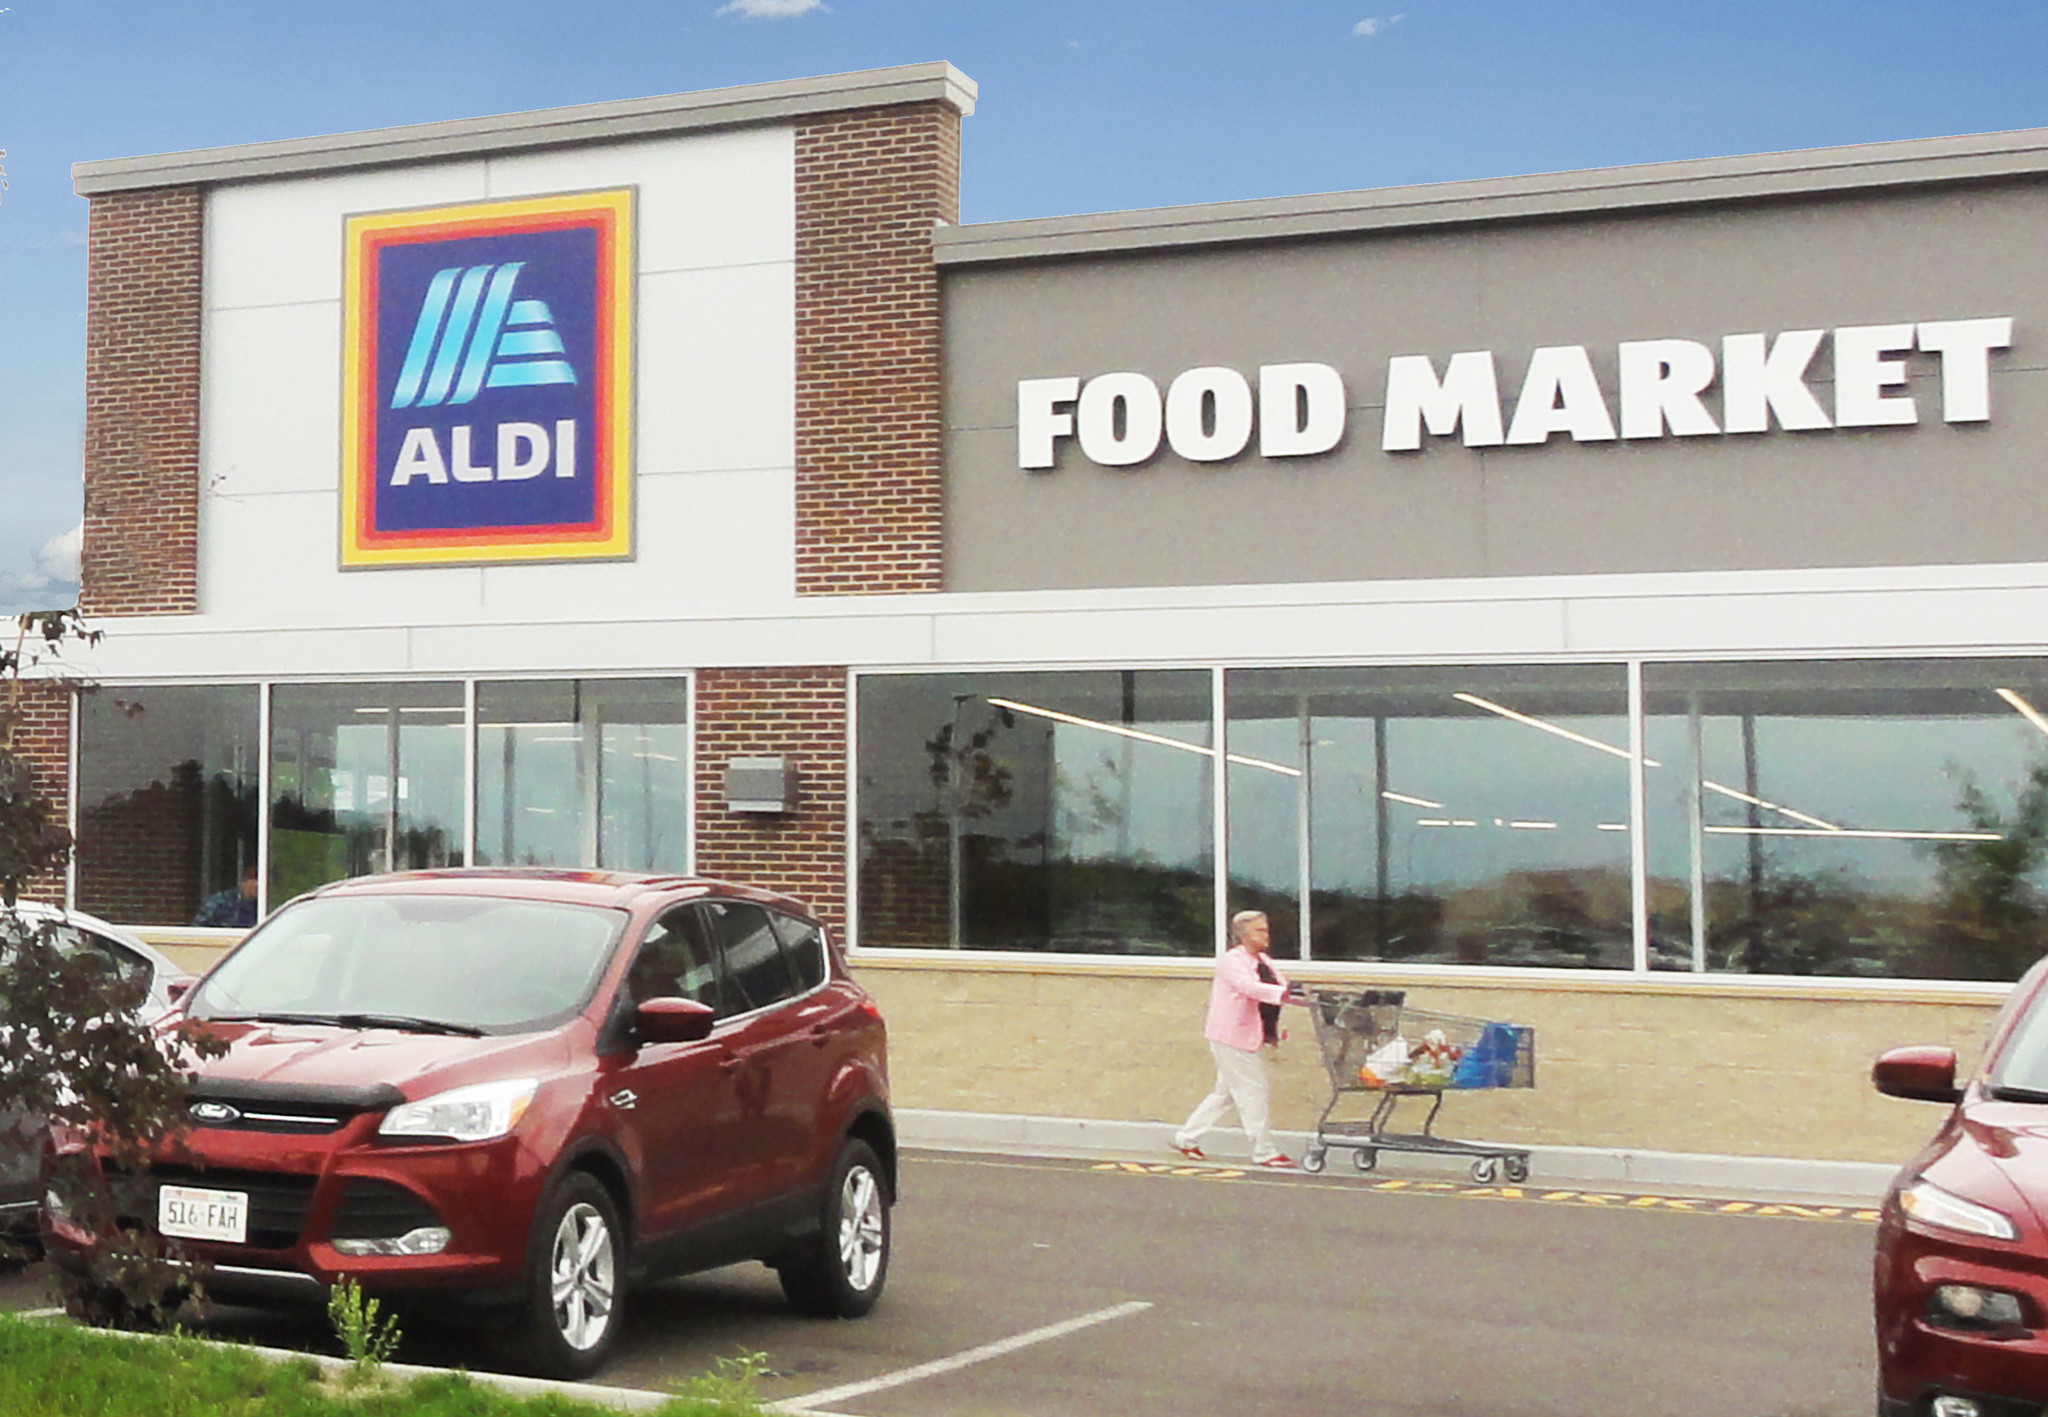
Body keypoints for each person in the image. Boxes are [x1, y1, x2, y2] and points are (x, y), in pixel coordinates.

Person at [1172, 909, 1304, 1169]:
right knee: (1253, 1090)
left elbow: (1282, 986)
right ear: (1243, 934)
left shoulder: (1264, 959)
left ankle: (1186, 1137)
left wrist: (1303, 997)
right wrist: (1283, 995)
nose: (1266, 935)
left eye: (1266, 929)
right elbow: (1249, 988)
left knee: (1226, 1092)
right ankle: (1264, 1151)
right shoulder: (1232, 961)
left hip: (1248, 1035)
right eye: (1259, 930)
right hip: (1232, 1035)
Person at [193, 863, 259, 929]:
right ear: (243, 882)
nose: (258, 886)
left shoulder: (260, 907)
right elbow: (198, 928)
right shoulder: (221, 901)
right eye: (254, 881)